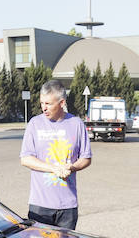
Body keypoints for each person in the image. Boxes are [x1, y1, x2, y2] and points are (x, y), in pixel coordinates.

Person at [19, 79, 92, 229]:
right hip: (40, 205)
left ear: (62, 103)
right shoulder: (34, 124)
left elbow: (86, 158)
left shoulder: (76, 124)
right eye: (42, 103)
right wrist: (53, 168)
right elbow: (26, 159)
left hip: (68, 207)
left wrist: (71, 167)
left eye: (48, 104)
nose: (43, 108)